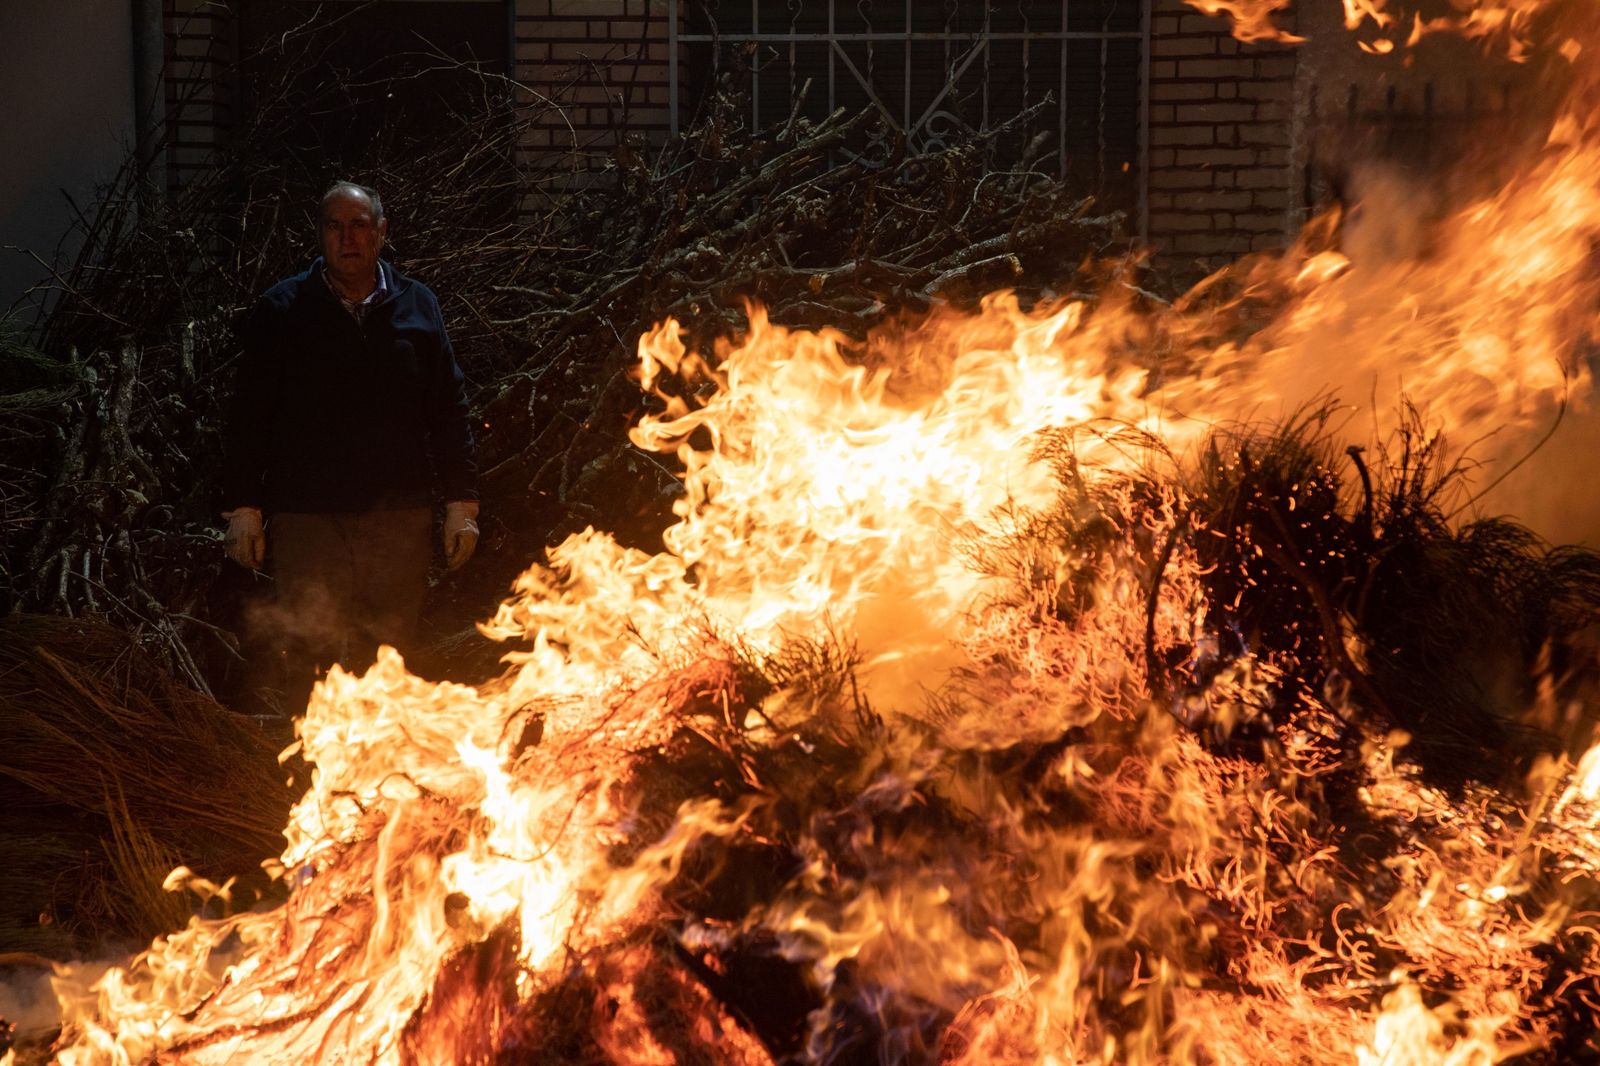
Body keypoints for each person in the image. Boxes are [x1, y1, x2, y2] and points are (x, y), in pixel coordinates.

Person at [220, 181, 479, 703]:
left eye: (359, 225)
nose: (348, 238)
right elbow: (248, 416)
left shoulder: (417, 305)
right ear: (320, 236)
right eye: (335, 227)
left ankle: (384, 780)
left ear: (381, 233)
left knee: (388, 661)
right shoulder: (284, 309)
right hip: (309, 521)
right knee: (308, 662)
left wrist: (462, 505)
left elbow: (449, 410)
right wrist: (242, 508)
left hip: (397, 522)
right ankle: (307, 777)